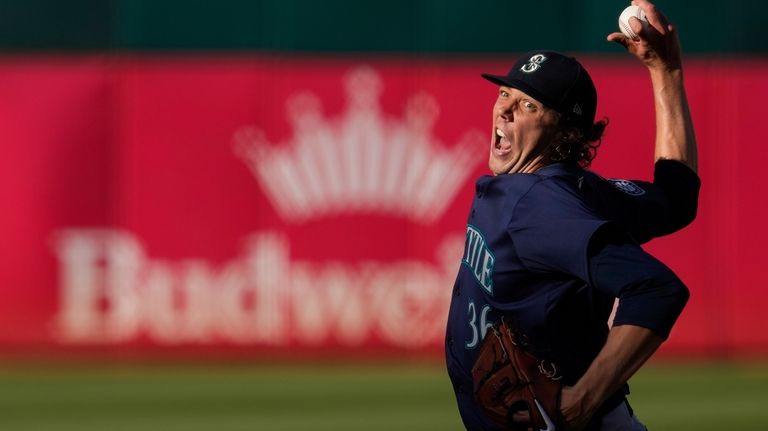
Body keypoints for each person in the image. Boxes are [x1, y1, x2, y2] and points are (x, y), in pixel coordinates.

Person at [444, 1, 700, 430]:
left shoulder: (540, 208)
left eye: (529, 105)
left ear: (566, 133)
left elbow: (656, 289)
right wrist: (666, 73)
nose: (504, 109)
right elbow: (677, 197)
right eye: (506, 92)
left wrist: (583, 398)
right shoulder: (581, 192)